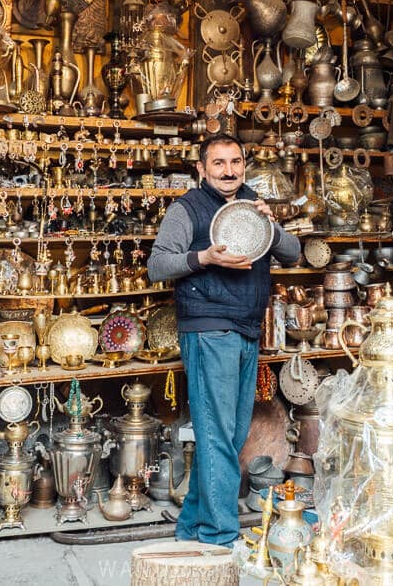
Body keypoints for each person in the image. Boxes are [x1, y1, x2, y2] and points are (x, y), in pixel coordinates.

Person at [147, 133, 300, 546]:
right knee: (216, 434)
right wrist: (204, 258)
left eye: (236, 162)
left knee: (230, 436)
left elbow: (293, 253)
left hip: (248, 327)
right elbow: (157, 265)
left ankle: (193, 526)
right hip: (209, 327)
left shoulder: (252, 206)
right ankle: (219, 537)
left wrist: (269, 222)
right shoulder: (187, 209)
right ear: (201, 168)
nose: (229, 171)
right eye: (219, 163)